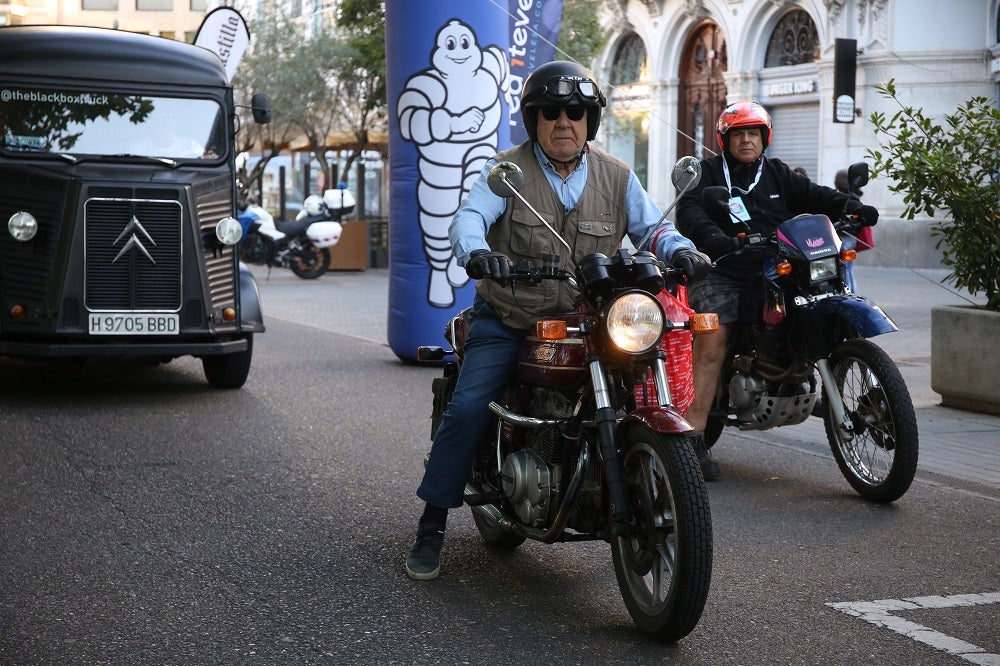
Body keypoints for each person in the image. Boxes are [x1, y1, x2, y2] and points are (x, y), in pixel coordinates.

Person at [404, 60, 713, 581]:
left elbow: (651, 227)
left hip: (592, 317)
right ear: (534, 120)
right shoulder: (507, 171)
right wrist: (477, 251)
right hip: (513, 316)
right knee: (469, 408)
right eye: (550, 111)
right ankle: (431, 526)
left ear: (590, 118)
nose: (563, 121)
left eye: (575, 111)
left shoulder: (617, 174)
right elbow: (470, 216)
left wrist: (683, 250)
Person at [676, 101, 878, 481]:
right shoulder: (707, 174)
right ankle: (692, 441)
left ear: (764, 138)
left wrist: (850, 205)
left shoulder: (777, 172)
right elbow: (690, 212)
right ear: (726, 139)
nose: (747, 140)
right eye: (739, 134)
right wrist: (713, 238)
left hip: (778, 267)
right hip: (725, 270)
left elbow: (815, 195)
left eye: (753, 133)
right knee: (712, 347)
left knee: (824, 304)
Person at [835, 168, 866, 292]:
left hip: (844, 236)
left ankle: (850, 293)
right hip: (853, 237)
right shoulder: (855, 196)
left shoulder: (842, 198)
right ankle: (853, 292)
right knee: (849, 267)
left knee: (845, 268)